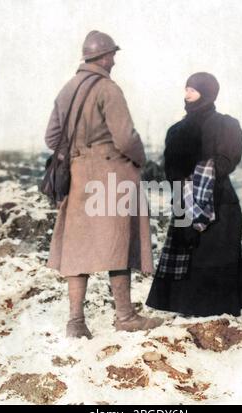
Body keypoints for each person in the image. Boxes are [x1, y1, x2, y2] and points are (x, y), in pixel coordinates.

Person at [45, 30, 163, 338]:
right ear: (105, 57)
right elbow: (125, 138)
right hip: (111, 178)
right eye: (113, 55)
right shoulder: (109, 89)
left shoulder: (67, 88)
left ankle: (75, 323)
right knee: (118, 243)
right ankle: (125, 316)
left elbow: (51, 138)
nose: (114, 60)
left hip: (78, 179)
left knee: (77, 249)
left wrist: (76, 156)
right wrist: (140, 159)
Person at [146, 72, 242, 317]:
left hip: (219, 203)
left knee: (216, 258)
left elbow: (226, 161)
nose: (186, 95)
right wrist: (181, 187)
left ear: (207, 93)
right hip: (183, 203)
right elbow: (170, 169)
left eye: (192, 90)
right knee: (189, 257)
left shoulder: (227, 125)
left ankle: (218, 321)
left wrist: (193, 176)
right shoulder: (175, 130)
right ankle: (190, 313)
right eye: (186, 89)